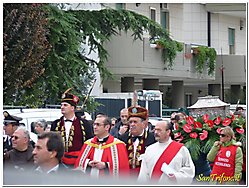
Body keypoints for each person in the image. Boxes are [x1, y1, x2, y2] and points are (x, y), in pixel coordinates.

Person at [137, 120, 195, 184]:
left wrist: (177, 177)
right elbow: (144, 174)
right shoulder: (149, 149)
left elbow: (189, 171)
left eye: (159, 130)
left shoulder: (181, 150)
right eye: (155, 129)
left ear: (168, 132)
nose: (156, 132)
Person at [74, 115, 129, 179]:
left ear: (107, 127)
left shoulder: (118, 145)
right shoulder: (88, 144)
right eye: (94, 124)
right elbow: (79, 163)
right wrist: (88, 163)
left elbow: (122, 167)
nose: (94, 127)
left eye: (98, 125)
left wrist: (105, 165)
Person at [51, 88, 94, 166]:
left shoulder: (84, 124)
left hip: (78, 161)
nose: (62, 107)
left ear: (72, 108)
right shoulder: (55, 124)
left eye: (65, 105)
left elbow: (89, 143)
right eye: (61, 105)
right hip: (59, 162)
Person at [119, 106, 156, 176]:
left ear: (144, 124)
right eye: (130, 122)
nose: (132, 124)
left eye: (135, 122)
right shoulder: (122, 139)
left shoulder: (153, 139)